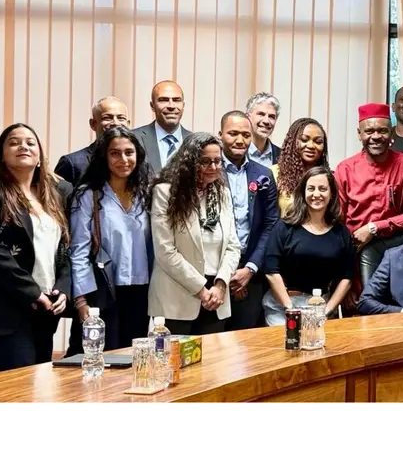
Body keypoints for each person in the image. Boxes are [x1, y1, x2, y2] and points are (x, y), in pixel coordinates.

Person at [0, 123, 72, 374]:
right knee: (14, 389)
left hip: (46, 309)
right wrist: (31, 292)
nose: (23, 146)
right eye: (14, 142)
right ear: (2, 154)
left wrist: (63, 288)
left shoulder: (54, 194)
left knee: (42, 385)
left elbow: (64, 248)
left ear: (40, 154)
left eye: (30, 142)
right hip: (7, 312)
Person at [67, 126, 153, 353]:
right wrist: (81, 301)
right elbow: (79, 251)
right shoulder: (89, 195)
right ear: (104, 157)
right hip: (102, 291)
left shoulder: (147, 193)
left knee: (134, 357)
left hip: (141, 292)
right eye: (115, 153)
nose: (123, 159)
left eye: (129, 152)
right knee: (100, 357)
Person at [147, 133, 243, 335]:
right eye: (206, 162)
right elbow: (165, 251)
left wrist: (220, 285)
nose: (214, 167)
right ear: (190, 162)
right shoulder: (166, 192)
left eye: (218, 161)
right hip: (176, 299)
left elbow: (233, 245)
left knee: (214, 364)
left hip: (216, 298)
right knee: (173, 364)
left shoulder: (221, 193)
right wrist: (201, 290)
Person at [262, 166, 355, 323]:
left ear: (331, 194)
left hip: (321, 306)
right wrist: (290, 308)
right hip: (283, 306)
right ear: (303, 192)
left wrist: (327, 310)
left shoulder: (341, 232)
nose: (316, 194)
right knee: (289, 345)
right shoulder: (284, 227)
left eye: (323, 189)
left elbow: (347, 277)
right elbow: (271, 271)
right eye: (311, 188)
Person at [217, 111, 279, 331]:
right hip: (214, 273)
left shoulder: (263, 174)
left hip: (251, 271)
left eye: (245, 134)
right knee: (213, 341)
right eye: (233, 133)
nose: (240, 140)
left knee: (246, 344)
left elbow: (271, 224)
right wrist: (224, 273)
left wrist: (250, 268)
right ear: (220, 135)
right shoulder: (208, 171)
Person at [336, 103, 403, 248]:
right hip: (354, 247)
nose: (376, 137)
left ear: (391, 132)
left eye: (382, 131)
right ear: (359, 134)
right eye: (369, 131)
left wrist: (374, 227)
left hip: (397, 247)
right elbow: (337, 218)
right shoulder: (345, 169)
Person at [55, 96, 130, 184]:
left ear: (128, 124)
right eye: (107, 118)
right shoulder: (71, 163)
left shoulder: (136, 161)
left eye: (121, 118)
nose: (115, 123)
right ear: (93, 124)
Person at [273, 117, 329, 219]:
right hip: (284, 233)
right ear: (292, 142)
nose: (311, 145)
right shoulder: (274, 174)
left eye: (318, 141)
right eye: (304, 140)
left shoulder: (328, 177)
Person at [132, 80, 193, 173]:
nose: (171, 106)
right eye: (163, 100)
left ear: (183, 105)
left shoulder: (195, 141)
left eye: (176, 100)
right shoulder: (134, 138)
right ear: (152, 106)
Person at [244, 92, 283, 167]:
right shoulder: (237, 151)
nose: (266, 121)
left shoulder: (282, 156)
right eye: (261, 114)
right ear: (248, 117)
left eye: (271, 116)